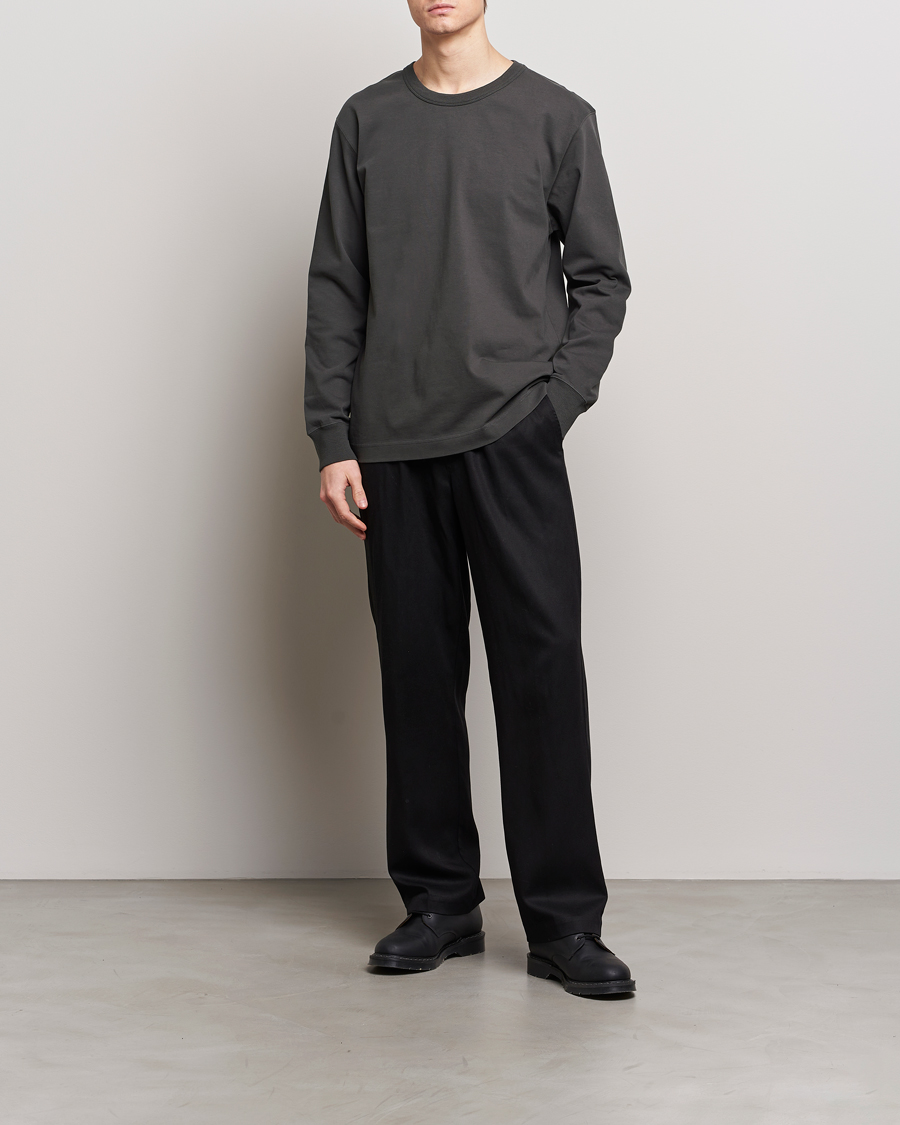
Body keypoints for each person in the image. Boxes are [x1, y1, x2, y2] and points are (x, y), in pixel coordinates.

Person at [304, 0, 634, 999]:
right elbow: (336, 284)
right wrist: (333, 437)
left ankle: (564, 922)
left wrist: (553, 407)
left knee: (542, 676)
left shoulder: (556, 116)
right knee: (417, 677)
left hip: (514, 439)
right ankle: (440, 905)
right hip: (394, 446)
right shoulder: (366, 121)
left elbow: (602, 280)